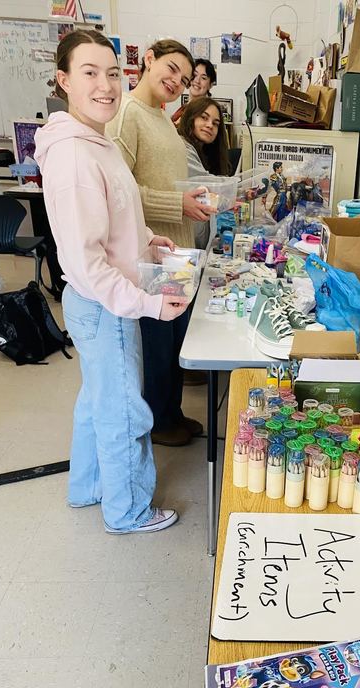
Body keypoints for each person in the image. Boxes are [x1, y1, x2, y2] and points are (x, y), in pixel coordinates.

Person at [34, 29, 190, 533]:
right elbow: (87, 262)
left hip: (103, 299)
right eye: (89, 73)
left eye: (110, 73)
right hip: (106, 304)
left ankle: (87, 487)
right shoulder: (75, 156)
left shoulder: (95, 141)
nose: (105, 85)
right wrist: (146, 305)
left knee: (96, 401)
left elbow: (116, 213)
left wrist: (148, 239)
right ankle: (128, 511)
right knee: (124, 409)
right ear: (64, 81)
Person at [107, 39, 215, 447]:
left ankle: (172, 412)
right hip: (154, 252)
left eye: (184, 79)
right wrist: (178, 203)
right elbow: (121, 190)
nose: (176, 81)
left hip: (180, 250)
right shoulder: (127, 115)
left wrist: (196, 197)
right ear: (148, 60)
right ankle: (157, 420)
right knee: (156, 341)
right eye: (170, 69)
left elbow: (167, 180)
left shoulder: (161, 116)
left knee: (175, 338)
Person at [178, 96, 230, 249]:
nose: (210, 126)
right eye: (204, 118)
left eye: (215, 123)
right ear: (191, 118)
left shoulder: (201, 151)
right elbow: (206, 182)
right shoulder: (183, 147)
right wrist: (239, 186)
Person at [171, 58, 217, 125]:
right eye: (195, 75)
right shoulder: (186, 107)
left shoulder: (206, 112)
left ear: (210, 85)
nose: (197, 81)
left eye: (203, 78)